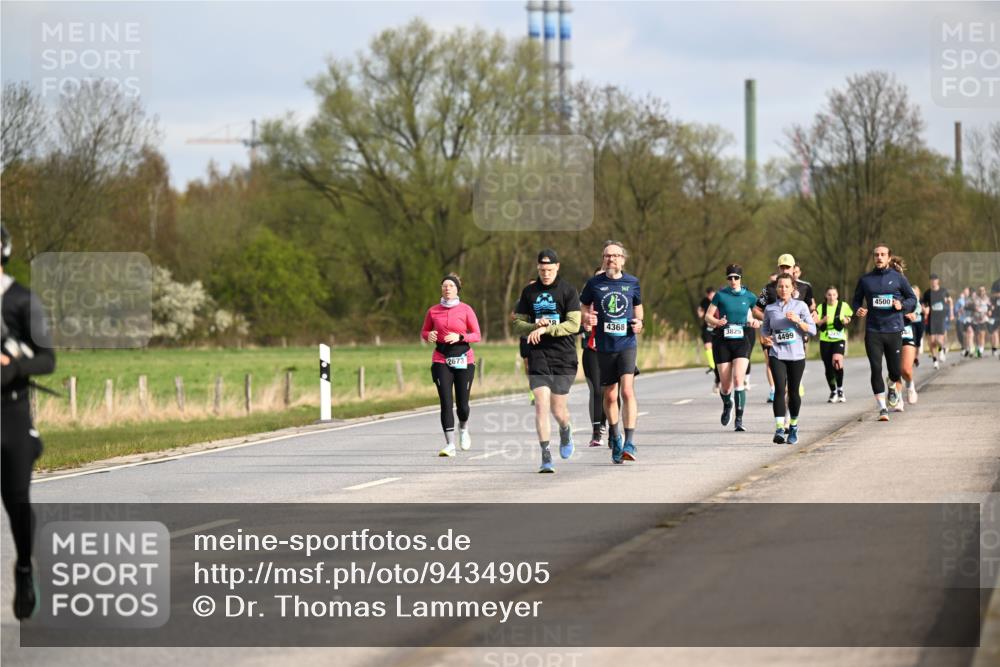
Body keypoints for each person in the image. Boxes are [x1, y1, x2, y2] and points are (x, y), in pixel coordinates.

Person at [1, 225, 56, 621]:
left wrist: (14, 367)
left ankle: (23, 567)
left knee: (16, 499)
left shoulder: (22, 301)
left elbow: (48, 359)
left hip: (11, 412)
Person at [512, 249, 582, 473]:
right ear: (537, 268)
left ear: (558, 267)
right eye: (542, 270)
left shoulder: (568, 291)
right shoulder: (529, 292)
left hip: (563, 356)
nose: (545, 274)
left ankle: (565, 428)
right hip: (538, 355)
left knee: (558, 409)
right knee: (541, 405)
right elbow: (517, 325)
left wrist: (546, 330)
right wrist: (534, 326)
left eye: (549, 270)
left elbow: (573, 325)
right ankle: (545, 455)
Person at [580, 240, 643, 464]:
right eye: (607, 256)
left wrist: (639, 323)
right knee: (610, 395)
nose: (611, 259)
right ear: (603, 259)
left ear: (622, 260)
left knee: (627, 391)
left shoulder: (632, 282)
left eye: (615, 255)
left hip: (626, 344)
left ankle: (630, 441)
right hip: (604, 346)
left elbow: (638, 307)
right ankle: (615, 437)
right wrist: (588, 318)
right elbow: (584, 306)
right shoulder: (594, 283)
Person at [851, 244, 917, 422]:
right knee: (876, 368)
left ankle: (893, 386)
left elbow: (912, 299)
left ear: (889, 258)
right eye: (876, 255)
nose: (879, 258)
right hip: (873, 331)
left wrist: (901, 306)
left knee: (895, 371)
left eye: (882, 255)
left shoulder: (898, 279)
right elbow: (855, 300)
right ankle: (882, 408)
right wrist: (858, 310)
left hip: (894, 330)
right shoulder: (866, 280)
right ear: (874, 258)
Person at [421, 274, 481, 457]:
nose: (447, 289)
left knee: (462, 404)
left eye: (451, 286)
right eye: (444, 286)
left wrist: (460, 337)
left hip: (464, 358)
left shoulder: (466, 309)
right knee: (446, 402)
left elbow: (477, 335)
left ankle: (463, 428)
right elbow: (424, 331)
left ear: (457, 290)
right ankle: (449, 444)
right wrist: (428, 335)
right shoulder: (433, 311)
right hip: (441, 359)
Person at [760, 273, 816, 444]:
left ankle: (793, 426)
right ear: (776, 289)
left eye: (786, 286)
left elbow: (812, 330)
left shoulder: (801, 306)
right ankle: (779, 428)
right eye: (780, 286)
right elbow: (765, 330)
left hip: (797, 355)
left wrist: (798, 321)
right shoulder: (770, 309)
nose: (783, 289)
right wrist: (766, 338)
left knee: (793, 392)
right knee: (779, 389)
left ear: (793, 289)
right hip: (777, 354)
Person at [704, 264, 759, 432]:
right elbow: (708, 316)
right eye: (730, 278)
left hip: (742, 340)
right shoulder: (720, 295)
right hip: (722, 341)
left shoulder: (749, 296)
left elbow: (760, 313)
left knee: (738, 380)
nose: (733, 280)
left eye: (736, 277)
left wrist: (758, 322)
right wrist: (717, 322)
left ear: (741, 279)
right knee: (726, 386)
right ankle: (727, 404)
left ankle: (739, 419)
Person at [754, 255, 815, 403]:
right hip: (774, 334)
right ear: (778, 268)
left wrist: (806, 320)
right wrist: (772, 321)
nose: (785, 269)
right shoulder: (768, 288)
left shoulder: (805, 287)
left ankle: (795, 385)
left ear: (794, 268)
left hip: (797, 333)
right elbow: (756, 310)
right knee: (772, 363)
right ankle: (774, 389)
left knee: (794, 369)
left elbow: (812, 308)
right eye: (782, 267)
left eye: (788, 267)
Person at [582, 267, 608, 447]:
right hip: (592, 350)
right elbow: (578, 322)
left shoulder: (615, 301)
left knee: (611, 393)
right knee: (596, 391)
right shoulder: (587, 303)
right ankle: (597, 431)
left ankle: (612, 429)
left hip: (614, 351)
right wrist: (585, 323)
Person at [817, 286, 853, 403]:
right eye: (829, 295)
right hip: (825, 339)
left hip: (839, 338)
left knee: (837, 362)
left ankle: (840, 389)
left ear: (837, 295)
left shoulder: (843, 305)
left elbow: (849, 317)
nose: (832, 297)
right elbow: (815, 323)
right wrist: (823, 321)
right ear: (825, 296)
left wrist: (846, 320)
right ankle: (833, 391)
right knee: (828, 367)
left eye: (834, 295)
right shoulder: (821, 307)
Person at [921, 273, 952, 369]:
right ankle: (935, 360)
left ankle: (941, 350)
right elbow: (923, 304)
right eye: (931, 280)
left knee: (939, 340)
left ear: (938, 281)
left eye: (935, 280)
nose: (933, 282)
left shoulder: (943, 291)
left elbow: (950, 301)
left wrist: (951, 313)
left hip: (941, 318)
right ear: (930, 281)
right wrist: (924, 309)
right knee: (932, 341)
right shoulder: (927, 293)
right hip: (931, 319)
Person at [697, 287, 721, 394]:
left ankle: (718, 375)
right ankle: (711, 364)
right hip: (707, 328)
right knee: (707, 346)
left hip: (718, 328)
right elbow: (700, 312)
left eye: (712, 294)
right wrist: (700, 313)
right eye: (709, 295)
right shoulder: (704, 301)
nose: (710, 296)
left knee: (717, 351)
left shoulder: (720, 299)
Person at [967, 285, 992, 358]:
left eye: (983, 290)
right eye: (980, 290)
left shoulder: (987, 299)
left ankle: (980, 351)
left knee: (982, 335)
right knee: (976, 336)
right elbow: (968, 306)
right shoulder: (974, 298)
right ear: (978, 291)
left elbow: (990, 306)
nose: (981, 292)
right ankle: (974, 349)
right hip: (974, 320)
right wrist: (974, 308)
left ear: (985, 291)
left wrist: (990, 311)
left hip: (983, 319)